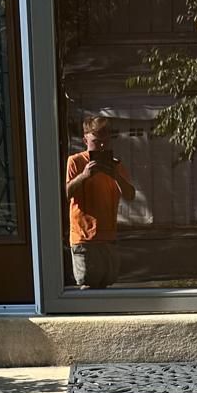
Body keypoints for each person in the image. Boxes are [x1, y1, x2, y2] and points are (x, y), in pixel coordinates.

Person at [64, 115, 135, 289]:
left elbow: (130, 195)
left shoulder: (115, 165)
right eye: (96, 142)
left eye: (105, 141)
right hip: (84, 237)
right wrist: (84, 176)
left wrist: (116, 175)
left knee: (106, 285)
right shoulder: (76, 161)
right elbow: (65, 193)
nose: (101, 146)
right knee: (88, 285)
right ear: (85, 140)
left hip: (108, 237)